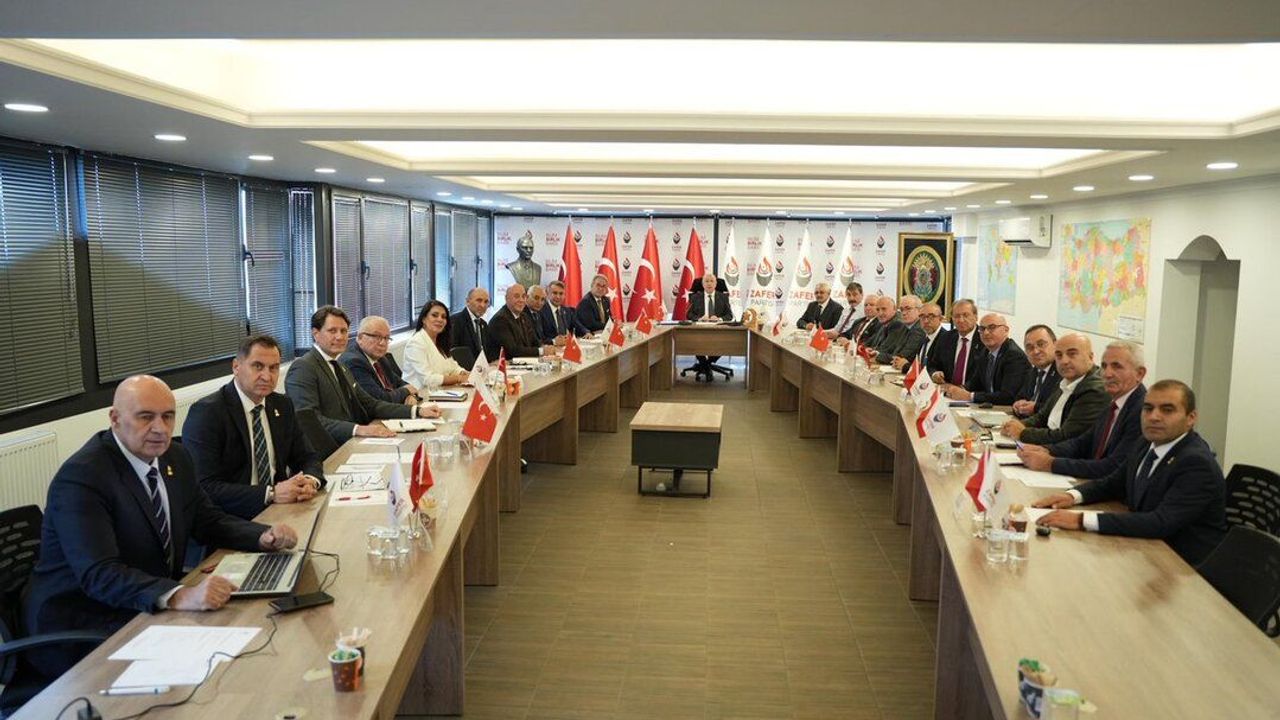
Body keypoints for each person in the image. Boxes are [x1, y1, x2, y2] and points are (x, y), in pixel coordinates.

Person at [23, 376, 298, 678]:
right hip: (86, 625)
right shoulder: (83, 477)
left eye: (167, 416)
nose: (160, 428)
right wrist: (180, 595)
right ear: (115, 419)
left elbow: (207, 520)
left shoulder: (174, 457)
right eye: (146, 417)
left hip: (145, 604)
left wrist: (262, 535)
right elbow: (100, 573)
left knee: (257, 647)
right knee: (224, 673)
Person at [1033, 379, 1227, 566]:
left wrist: (1082, 520)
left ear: (1191, 418)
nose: (1154, 417)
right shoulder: (1145, 443)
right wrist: (1073, 496)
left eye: (1167, 410)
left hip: (1182, 566)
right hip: (1144, 549)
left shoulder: (1196, 463)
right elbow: (1114, 483)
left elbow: (1161, 522)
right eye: (1148, 408)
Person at [183, 334, 326, 520]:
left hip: (281, 510)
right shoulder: (208, 413)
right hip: (231, 519)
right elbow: (205, 487)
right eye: (258, 366)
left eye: (273, 368)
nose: (267, 376)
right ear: (236, 367)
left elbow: (307, 456)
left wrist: (309, 481)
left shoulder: (282, 405)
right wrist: (271, 493)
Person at [286, 305, 439, 444]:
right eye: (332, 331)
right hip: (329, 450)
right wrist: (358, 429)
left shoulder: (339, 365)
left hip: (352, 441)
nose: (340, 337)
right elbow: (309, 420)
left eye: (344, 331)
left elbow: (371, 404)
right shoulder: (303, 367)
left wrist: (417, 411)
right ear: (316, 333)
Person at [1017, 341, 1149, 480]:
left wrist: (1050, 463)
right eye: (1104, 366)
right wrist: (1046, 450)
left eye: (1117, 366)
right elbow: (1083, 442)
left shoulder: (1142, 411)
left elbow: (1113, 466)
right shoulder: (1114, 402)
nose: (1107, 374)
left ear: (1139, 374)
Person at [1001, 333, 1108, 445]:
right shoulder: (1066, 380)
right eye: (1059, 355)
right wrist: (1016, 425)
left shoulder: (1095, 389)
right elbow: (1041, 417)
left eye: (1072, 354)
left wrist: (1023, 433)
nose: (1064, 361)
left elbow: (1066, 436)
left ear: (1090, 357)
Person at [943, 312, 1029, 405]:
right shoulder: (985, 351)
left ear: (1006, 330)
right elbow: (975, 383)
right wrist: (958, 390)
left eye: (992, 327)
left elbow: (1008, 396)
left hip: (1008, 409)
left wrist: (970, 396)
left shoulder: (1014, 355)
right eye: (982, 329)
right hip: (991, 407)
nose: (986, 333)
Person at [340, 315, 418, 405]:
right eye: (377, 337)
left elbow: (401, 383)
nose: (382, 343)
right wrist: (406, 391)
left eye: (386, 338)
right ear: (360, 337)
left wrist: (410, 395)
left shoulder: (380, 358)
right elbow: (380, 400)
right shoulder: (354, 362)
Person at [402, 300, 470, 391]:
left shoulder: (440, 342)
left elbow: (452, 367)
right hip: (420, 394)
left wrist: (464, 373)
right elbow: (428, 379)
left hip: (441, 391)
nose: (440, 319)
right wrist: (458, 378)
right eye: (434, 315)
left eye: (443, 317)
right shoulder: (415, 343)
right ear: (424, 319)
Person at [486, 284, 557, 360]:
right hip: (504, 364)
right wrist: (542, 351)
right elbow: (513, 351)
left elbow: (534, 341)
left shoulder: (524, 316)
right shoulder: (500, 319)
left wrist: (546, 347)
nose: (521, 300)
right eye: (517, 296)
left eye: (523, 297)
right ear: (507, 299)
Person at [1012, 325, 1060, 417]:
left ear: (1055, 344)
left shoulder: (1062, 372)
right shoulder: (1032, 371)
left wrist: (1035, 408)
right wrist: (1018, 404)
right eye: (1029, 347)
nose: (1035, 351)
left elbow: (1060, 409)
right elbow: (1020, 397)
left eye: (1041, 344)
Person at [929, 299, 978, 386]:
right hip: (946, 390)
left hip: (972, 392)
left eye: (966, 315)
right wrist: (935, 374)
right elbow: (932, 365)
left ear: (975, 317)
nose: (961, 320)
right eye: (957, 316)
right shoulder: (946, 337)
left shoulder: (984, 339)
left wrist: (963, 390)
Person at [876, 295, 927, 364]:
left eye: (908, 309)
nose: (904, 313)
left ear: (919, 310)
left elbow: (903, 357)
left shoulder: (919, 329)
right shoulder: (904, 327)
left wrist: (877, 356)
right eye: (902, 310)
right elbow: (893, 350)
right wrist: (877, 354)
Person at [893, 301, 944, 370]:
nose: (926, 321)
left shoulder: (946, 339)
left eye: (931, 317)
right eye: (922, 317)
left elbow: (932, 369)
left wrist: (906, 366)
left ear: (940, 319)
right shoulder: (925, 337)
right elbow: (919, 363)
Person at [448, 287, 490, 366]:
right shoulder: (455, 321)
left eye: (486, 302)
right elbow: (452, 352)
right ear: (467, 301)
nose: (483, 305)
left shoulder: (483, 324)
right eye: (479, 300)